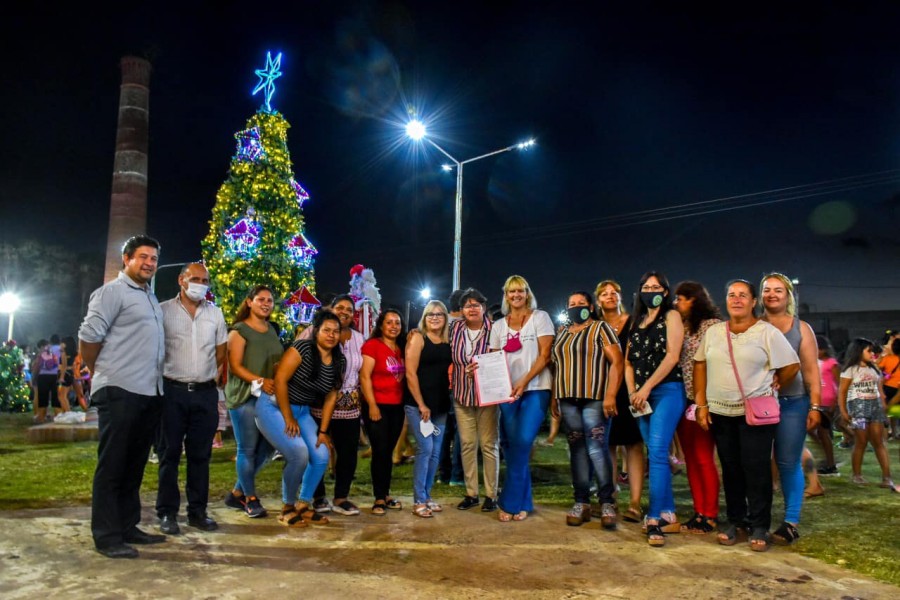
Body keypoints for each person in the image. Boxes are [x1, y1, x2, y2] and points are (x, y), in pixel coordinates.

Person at [78, 235, 167, 559]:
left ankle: (128, 526)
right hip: (120, 390)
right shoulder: (112, 292)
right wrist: (101, 371)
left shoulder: (149, 296)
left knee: (134, 464)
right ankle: (106, 536)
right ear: (126, 259)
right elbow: (89, 336)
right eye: (143, 257)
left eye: (154, 258)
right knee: (113, 465)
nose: (149, 263)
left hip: (148, 392)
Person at [694, 279, 800, 552]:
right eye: (732, 295)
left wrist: (777, 382)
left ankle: (760, 525)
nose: (737, 299)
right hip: (720, 411)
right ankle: (736, 522)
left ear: (753, 302)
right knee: (730, 468)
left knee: (757, 469)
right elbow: (700, 365)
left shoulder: (766, 332)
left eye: (743, 295)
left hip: (755, 414)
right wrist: (701, 404)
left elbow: (791, 364)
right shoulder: (714, 332)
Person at [155, 263, 228, 535]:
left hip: (205, 394)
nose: (200, 284)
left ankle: (197, 512)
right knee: (169, 454)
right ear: (181, 280)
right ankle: (167, 513)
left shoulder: (215, 314)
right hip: (171, 392)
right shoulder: (163, 311)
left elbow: (221, 353)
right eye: (195, 278)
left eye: (205, 280)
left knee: (200, 456)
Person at [260, 309, 345, 527]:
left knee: (321, 455)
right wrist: (288, 418)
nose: (331, 335)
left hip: (302, 411)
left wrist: (323, 431)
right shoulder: (302, 349)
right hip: (274, 407)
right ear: (316, 331)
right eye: (326, 330)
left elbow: (331, 397)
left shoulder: (339, 360)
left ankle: (303, 505)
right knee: (299, 453)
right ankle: (287, 507)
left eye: (336, 331)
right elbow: (280, 380)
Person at [551, 291, 623, 529]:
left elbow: (617, 361)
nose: (576, 307)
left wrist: (610, 394)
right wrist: (554, 397)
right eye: (571, 304)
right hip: (567, 398)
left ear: (591, 307)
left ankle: (607, 501)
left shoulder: (601, 328)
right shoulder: (563, 332)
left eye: (581, 303)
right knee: (577, 449)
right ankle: (581, 501)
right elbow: (557, 367)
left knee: (596, 448)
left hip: (594, 396)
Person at [759, 273, 822, 545]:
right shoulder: (753, 326)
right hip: (758, 404)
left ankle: (790, 522)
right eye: (767, 290)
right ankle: (756, 519)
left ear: (788, 296)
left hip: (793, 403)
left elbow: (811, 371)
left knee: (787, 461)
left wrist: (815, 406)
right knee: (757, 462)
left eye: (778, 290)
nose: (772, 294)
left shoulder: (801, 328)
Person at [624, 271, 685, 547]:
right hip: (639, 397)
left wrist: (646, 388)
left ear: (665, 291)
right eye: (646, 287)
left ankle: (654, 518)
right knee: (655, 452)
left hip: (666, 390)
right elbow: (628, 362)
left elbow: (672, 356)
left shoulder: (671, 316)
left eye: (655, 287)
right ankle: (669, 513)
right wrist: (632, 392)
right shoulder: (637, 321)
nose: (651, 291)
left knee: (658, 451)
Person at [490, 275, 555, 522]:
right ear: (506, 296)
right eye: (511, 291)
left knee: (522, 441)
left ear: (527, 293)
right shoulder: (498, 326)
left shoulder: (540, 317)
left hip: (536, 388)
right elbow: (494, 361)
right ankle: (525, 502)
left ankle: (509, 502)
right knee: (512, 446)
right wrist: (479, 371)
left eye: (520, 290)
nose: (516, 295)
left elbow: (545, 355)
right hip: (507, 393)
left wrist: (523, 381)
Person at [299, 294, 366, 516]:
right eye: (340, 307)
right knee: (317, 451)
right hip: (318, 404)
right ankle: (318, 496)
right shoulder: (313, 332)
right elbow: (296, 355)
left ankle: (341, 497)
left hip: (350, 406)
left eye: (349, 309)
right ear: (331, 308)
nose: (344, 312)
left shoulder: (359, 338)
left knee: (348, 454)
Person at [223, 285, 283, 519]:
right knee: (247, 449)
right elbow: (235, 366)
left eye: (270, 300)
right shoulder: (239, 331)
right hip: (244, 396)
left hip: (268, 396)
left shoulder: (271, 330)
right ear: (249, 302)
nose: (266, 304)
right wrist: (260, 380)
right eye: (261, 299)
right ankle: (250, 498)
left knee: (269, 445)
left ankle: (237, 491)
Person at [672, 281, 722, 534]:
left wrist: (705, 402)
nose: (676, 303)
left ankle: (710, 514)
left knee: (703, 457)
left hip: (704, 400)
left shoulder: (711, 326)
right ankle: (699, 511)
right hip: (684, 400)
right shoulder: (681, 326)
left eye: (680, 298)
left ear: (693, 299)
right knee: (690, 458)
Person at [596, 280, 644, 523]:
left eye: (614, 292)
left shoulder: (632, 322)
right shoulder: (594, 325)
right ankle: (610, 498)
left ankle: (635, 502)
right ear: (598, 300)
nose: (610, 296)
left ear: (620, 296)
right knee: (608, 445)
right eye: (604, 293)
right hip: (602, 389)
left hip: (628, 389)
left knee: (634, 445)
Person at [450, 288, 499, 512]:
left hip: (487, 396)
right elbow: (431, 329)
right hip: (462, 395)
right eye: (467, 305)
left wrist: (482, 369)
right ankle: (471, 493)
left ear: (483, 307)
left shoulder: (495, 329)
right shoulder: (455, 329)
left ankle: (491, 494)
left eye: (476, 304)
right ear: (461, 310)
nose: (471, 309)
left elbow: (501, 358)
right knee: (467, 445)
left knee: (488, 445)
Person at [404, 300, 452, 517]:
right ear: (424, 317)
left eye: (439, 314)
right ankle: (418, 500)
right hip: (419, 406)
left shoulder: (448, 340)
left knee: (435, 452)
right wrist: (421, 404)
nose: (435, 317)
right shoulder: (418, 338)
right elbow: (410, 373)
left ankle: (427, 495)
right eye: (430, 314)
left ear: (445, 318)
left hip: (440, 405)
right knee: (425, 449)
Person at [360, 308, 407, 515]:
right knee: (379, 451)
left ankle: (386, 494)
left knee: (387, 452)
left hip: (397, 407)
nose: (394, 326)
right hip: (377, 406)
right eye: (389, 322)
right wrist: (372, 405)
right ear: (381, 325)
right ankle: (379, 497)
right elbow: (364, 376)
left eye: (397, 322)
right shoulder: (372, 345)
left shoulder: (401, 348)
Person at [839, 338, 898, 491]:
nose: (872, 353)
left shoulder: (875, 369)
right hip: (858, 407)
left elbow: (880, 392)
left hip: (875, 406)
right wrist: (844, 411)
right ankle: (857, 475)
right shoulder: (850, 370)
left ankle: (887, 478)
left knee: (879, 441)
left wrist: (883, 408)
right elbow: (842, 392)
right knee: (861, 441)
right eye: (869, 351)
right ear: (858, 351)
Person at [814, 335, 841, 475]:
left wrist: (836, 402)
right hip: (818, 401)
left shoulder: (832, 363)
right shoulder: (816, 362)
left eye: (818, 349)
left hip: (827, 401)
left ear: (824, 349)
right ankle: (829, 461)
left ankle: (831, 463)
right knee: (821, 432)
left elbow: (839, 383)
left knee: (823, 433)